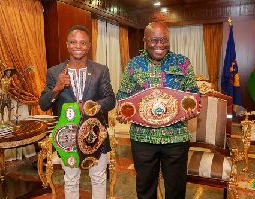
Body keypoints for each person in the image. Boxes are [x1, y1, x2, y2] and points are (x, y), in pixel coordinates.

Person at [116, 22, 199, 199]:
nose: (160, 45)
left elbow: (193, 93)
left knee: (176, 190)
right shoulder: (133, 65)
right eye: (154, 40)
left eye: (164, 40)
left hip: (176, 137)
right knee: (145, 189)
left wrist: (193, 107)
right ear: (144, 40)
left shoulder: (182, 63)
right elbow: (123, 96)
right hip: (142, 138)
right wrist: (123, 111)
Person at [39, 25, 115, 199]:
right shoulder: (54, 72)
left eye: (82, 43)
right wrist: (56, 89)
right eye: (73, 42)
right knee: (71, 180)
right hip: (68, 136)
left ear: (88, 46)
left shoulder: (100, 70)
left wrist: (88, 107)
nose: (78, 46)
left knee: (98, 178)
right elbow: (43, 104)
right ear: (67, 45)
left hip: (95, 134)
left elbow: (110, 100)